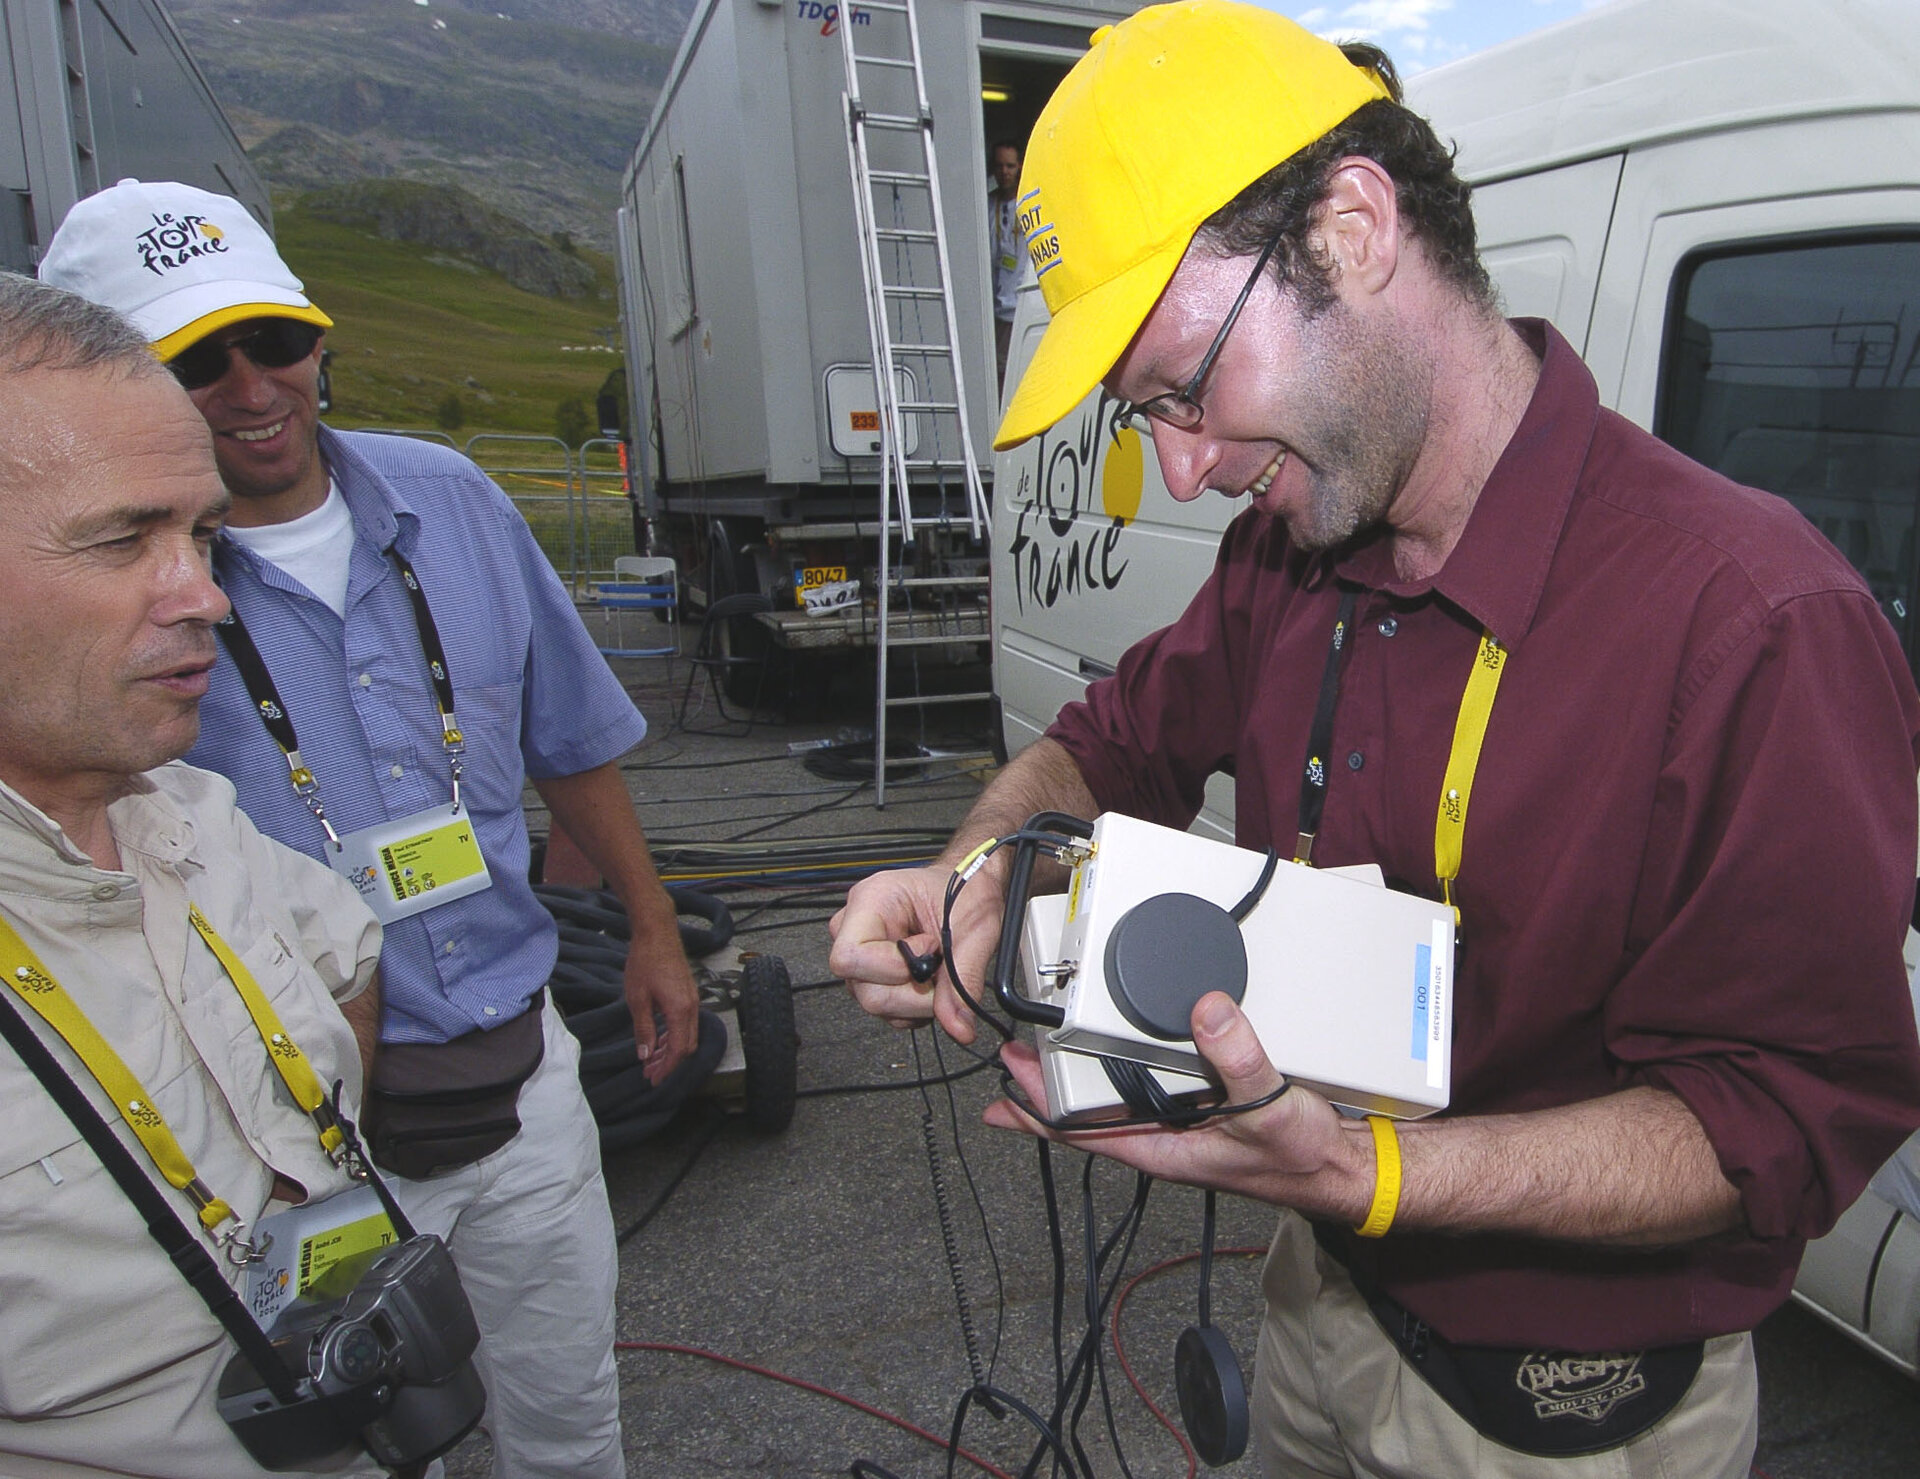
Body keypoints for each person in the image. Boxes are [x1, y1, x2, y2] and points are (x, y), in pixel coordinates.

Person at [830, 6, 1920, 1476]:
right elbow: (1114, 742)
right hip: (1321, 1301)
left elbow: (1773, 1120)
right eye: (1141, 417)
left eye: (1183, 389)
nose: (1187, 467)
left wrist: (1373, 1167)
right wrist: (970, 862)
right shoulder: (1294, 548)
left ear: (1351, 228)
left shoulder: (1753, 619)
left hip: (1570, 1413)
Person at [42, 179, 700, 1479]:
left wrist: (654, 927)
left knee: (567, 1426)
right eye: (193, 359)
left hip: (524, 1094)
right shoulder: (113, 617)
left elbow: (570, 735)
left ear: (318, 339)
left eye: (272, 339)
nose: (248, 387)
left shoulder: (452, 500)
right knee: (374, 1450)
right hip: (300, 1155)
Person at [0, 274, 389, 1476]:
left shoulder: (196, 819)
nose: (206, 597)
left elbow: (352, 964)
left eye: (203, 533)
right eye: (125, 539)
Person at [988, 139, 1023, 390]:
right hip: (995, 311)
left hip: (1022, 309)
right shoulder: (987, 205)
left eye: (1010, 165)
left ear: (1020, 166)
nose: (1005, 172)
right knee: (999, 378)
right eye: (1000, 166)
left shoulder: (1029, 204)